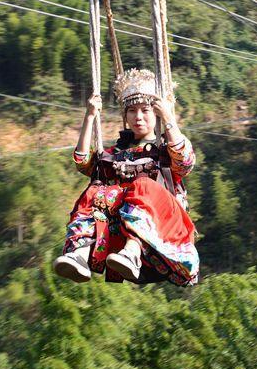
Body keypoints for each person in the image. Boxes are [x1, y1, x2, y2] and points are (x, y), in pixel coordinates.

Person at [53, 68, 199, 286]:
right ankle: (80, 253)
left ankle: (133, 251)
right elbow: (84, 163)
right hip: (119, 222)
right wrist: (90, 116)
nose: (138, 117)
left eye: (145, 110)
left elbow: (185, 162)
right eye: (132, 111)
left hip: (163, 221)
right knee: (95, 190)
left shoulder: (165, 151)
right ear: (125, 115)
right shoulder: (116, 154)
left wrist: (168, 117)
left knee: (143, 186)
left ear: (155, 112)